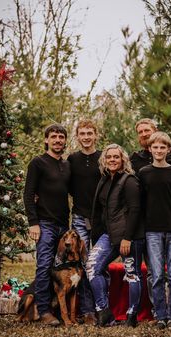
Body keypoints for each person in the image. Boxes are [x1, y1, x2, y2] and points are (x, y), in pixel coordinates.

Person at [130, 118, 171, 327]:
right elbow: (138, 203)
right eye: (155, 147)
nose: (158, 150)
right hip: (152, 232)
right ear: (150, 148)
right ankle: (160, 315)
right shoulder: (143, 172)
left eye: (162, 147)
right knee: (156, 274)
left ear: (168, 149)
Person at [86, 143, 145, 327]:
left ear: (123, 160)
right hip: (108, 235)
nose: (112, 160)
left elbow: (135, 210)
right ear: (104, 160)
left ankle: (131, 316)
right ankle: (104, 313)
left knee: (132, 274)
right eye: (109, 157)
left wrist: (128, 237)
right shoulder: (104, 180)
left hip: (130, 237)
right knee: (92, 268)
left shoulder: (130, 180)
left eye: (116, 157)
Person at [23, 124, 70, 326]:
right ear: (46, 140)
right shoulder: (38, 163)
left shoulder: (67, 166)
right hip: (44, 223)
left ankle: (56, 307)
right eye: (54, 137)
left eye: (61, 137)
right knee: (43, 266)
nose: (58, 140)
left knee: (58, 268)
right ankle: (43, 311)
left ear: (65, 140)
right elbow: (28, 193)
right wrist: (33, 223)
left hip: (63, 225)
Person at [68, 119, 101, 325]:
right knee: (81, 263)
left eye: (90, 133)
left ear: (96, 135)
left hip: (101, 220)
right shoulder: (72, 159)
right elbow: (66, 185)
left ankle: (101, 307)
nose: (86, 137)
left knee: (98, 265)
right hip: (80, 217)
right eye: (83, 133)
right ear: (78, 136)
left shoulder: (103, 158)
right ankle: (87, 311)